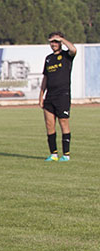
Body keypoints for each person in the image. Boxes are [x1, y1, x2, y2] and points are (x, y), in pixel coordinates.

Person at [39, 31, 77, 162]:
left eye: (56, 41)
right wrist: (41, 96)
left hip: (63, 95)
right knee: (49, 124)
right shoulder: (48, 58)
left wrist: (62, 39)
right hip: (50, 96)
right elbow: (45, 78)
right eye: (51, 42)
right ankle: (53, 154)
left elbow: (73, 49)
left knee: (63, 122)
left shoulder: (67, 56)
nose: (53, 44)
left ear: (60, 42)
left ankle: (66, 154)